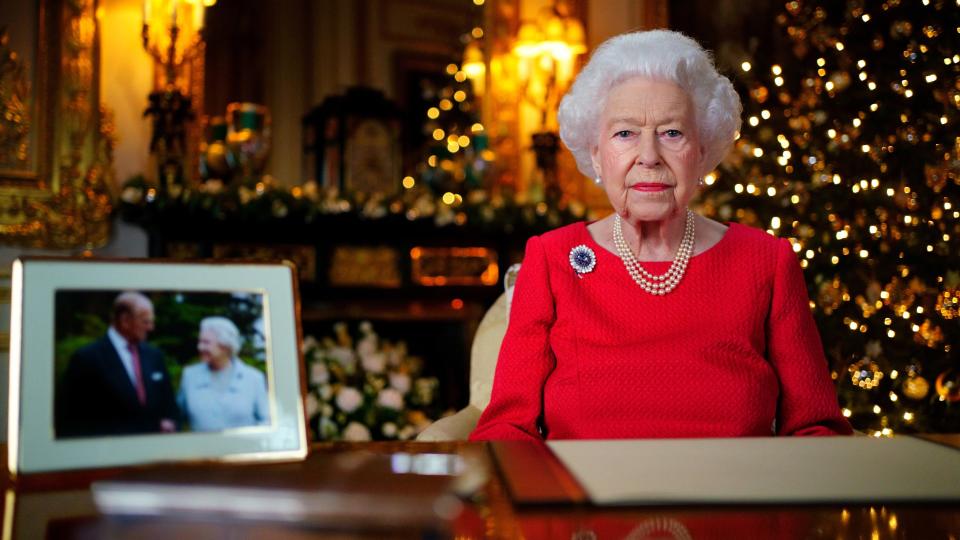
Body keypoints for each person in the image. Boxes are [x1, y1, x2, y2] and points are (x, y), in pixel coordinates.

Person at [470, 30, 853, 441]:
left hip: (732, 500)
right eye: (625, 134)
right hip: (586, 500)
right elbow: (507, 429)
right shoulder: (552, 258)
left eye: (672, 133)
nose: (649, 156)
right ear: (596, 153)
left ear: (702, 151)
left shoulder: (765, 261)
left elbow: (816, 428)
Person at [57, 292, 179, 437]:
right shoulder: (86, 358)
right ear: (125, 320)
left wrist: (171, 422)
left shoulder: (154, 355)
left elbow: (170, 404)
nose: (151, 328)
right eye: (146, 322)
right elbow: (69, 418)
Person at [178, 316, 271, 431]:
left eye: (206, 342)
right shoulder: (190, 376)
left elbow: (266, 420)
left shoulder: (254, 378)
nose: (200, 347)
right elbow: (177, 418)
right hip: (200, 448)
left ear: (225, 346)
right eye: (200, 341)